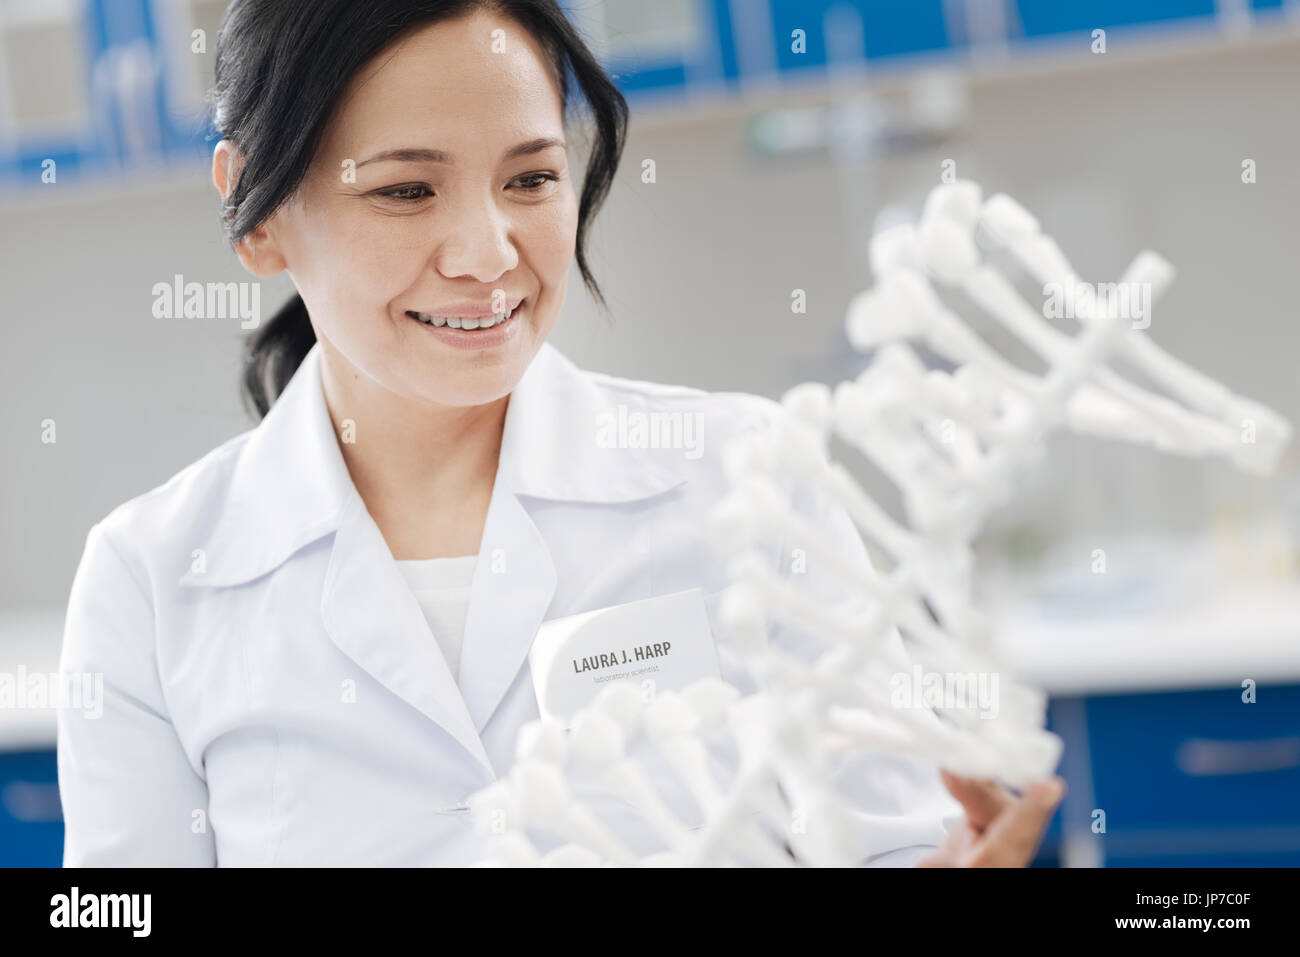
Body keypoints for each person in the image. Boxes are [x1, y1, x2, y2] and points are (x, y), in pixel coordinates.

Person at [57, 0, 1064, 866]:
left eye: (529, 180)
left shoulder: (748, 481)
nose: (488, 253)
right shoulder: (149, 582)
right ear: (256, 214)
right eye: (407, 189)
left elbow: (890, 840)